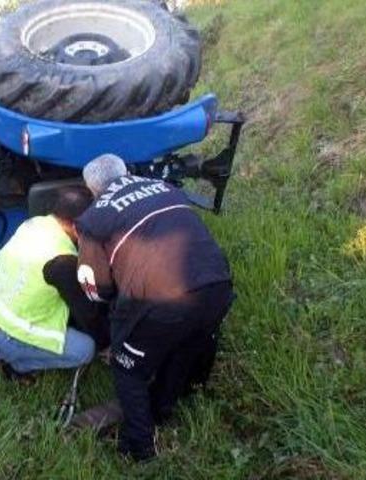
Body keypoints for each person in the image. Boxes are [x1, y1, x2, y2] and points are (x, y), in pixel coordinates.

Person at [76, 154, 234, 461]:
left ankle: (140, 448)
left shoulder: (93, 220)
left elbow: (96, 286)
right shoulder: (165, 188)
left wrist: (108, 306)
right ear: (125, 172)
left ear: (92, 190)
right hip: (218, 284)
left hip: (161, 301)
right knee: (184, 347)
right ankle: (162, 409)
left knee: (127, 368)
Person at [0, 186, 107, 376]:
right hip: (1, 335)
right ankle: (16, 364)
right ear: (76, 225)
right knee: (85, 349)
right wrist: (107, 344)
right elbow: (87, 313)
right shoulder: (61, 261)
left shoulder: (36, 223)